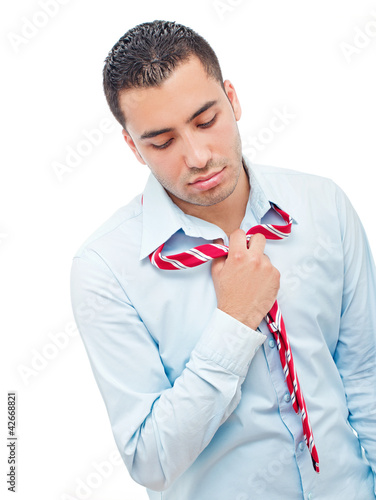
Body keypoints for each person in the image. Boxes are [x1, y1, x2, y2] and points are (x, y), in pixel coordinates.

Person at [70, 20, 376, 500]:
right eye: (162, 141)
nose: (197, 156)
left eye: (206, 120)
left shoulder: (323, 206)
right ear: (133, 147)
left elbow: (366, 375)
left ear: (232, 99)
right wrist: (233, 323)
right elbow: (150, 460)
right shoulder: (105, 269)